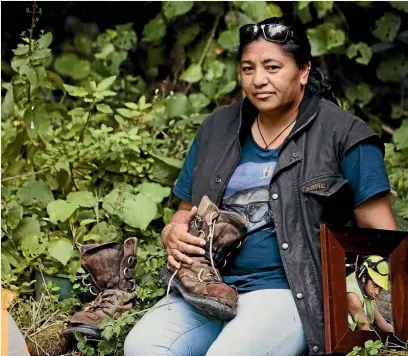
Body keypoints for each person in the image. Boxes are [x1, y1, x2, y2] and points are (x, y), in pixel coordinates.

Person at [124, 16, 398, 356]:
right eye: (248, 68)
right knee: (142, 347)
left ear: (303, 72)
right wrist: (173, 233)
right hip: (209, 289)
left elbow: (384, 236)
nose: (259, 80)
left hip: (292, 294)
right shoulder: (216, 127)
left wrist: (372, 303)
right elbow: (184, 212)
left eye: (272, 67)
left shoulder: (344, 134)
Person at [347, 255, 393, 333]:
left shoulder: (367, 290)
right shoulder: (353, 296)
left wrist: (397, 334)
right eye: (375, 285)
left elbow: (377, 317)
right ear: (364, 277)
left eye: (381, 288)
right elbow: (365, 330)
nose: (377, 292)